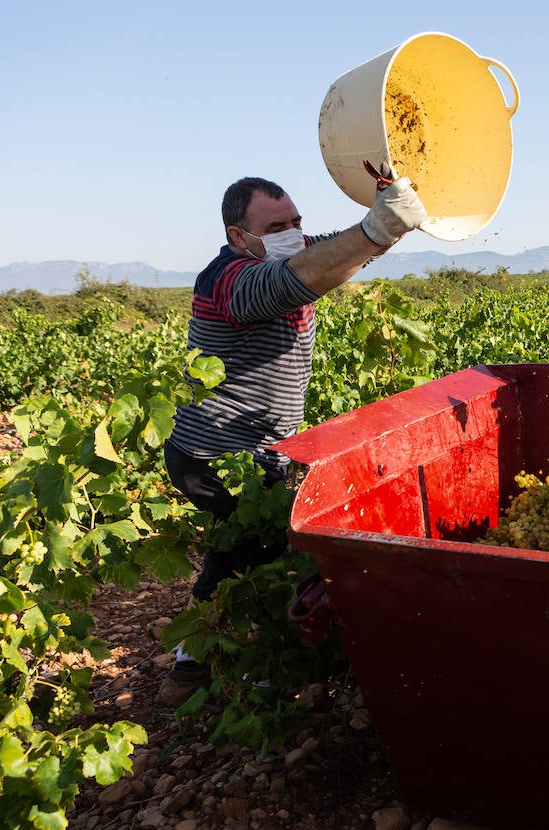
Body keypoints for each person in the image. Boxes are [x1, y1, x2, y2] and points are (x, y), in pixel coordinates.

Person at [158, 173, 426, 705]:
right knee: (264, 551)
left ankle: (191, 663)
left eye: (297, 222)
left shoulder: (296, 254)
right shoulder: (227, 278)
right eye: (276, 226)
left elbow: (333, 257)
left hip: (262, 449)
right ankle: (266, 673)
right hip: (212, 453)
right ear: (239, 237)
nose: (293, 233)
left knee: (233, 549)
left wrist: (385, 222)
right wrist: (374, 229)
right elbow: (286, 284)